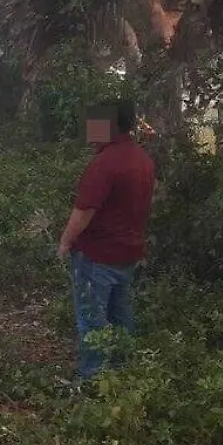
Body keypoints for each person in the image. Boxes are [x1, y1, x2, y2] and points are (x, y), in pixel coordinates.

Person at [57, 100, 155, 381]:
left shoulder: (105, 163)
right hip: (127, 253)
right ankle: (125, 374)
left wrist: (65, 242)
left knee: (92, 320)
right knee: (120, 315)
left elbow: (84, 210)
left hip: (96, 255)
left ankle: (93, 380)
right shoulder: (142, 158)